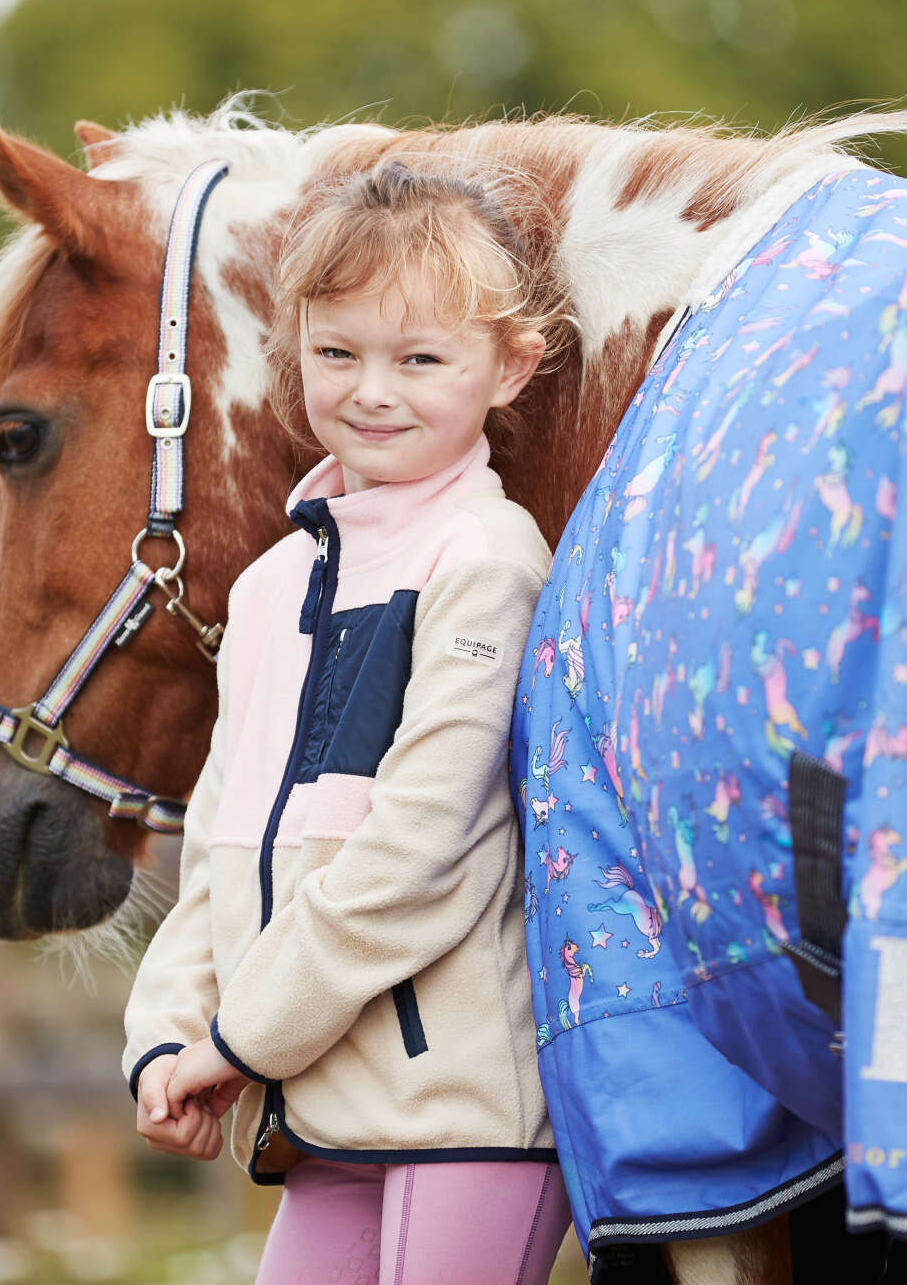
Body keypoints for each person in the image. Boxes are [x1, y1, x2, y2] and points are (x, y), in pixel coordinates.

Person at [123, 163, 573, 1285]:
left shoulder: (486, 562)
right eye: (337, 352)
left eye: (419, 359)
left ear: (510, 366)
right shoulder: (270, 586)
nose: (373, 391)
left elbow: (420, 853)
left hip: (462, 1111)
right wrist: (168, 1034)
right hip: (319, 1108)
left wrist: (242, 1040)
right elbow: (215, 842)